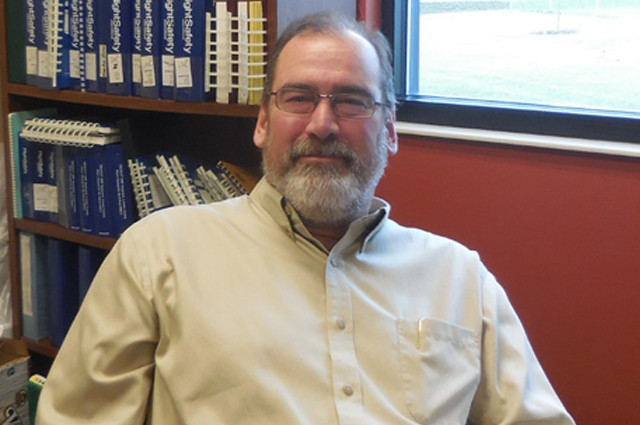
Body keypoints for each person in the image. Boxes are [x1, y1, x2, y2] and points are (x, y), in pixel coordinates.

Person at [37, 11, 575, 425]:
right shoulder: (159, 253)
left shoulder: (461, 278)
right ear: (262, 124)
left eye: (351, 101)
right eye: (298, 98)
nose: (322, 124)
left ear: (390, 130)